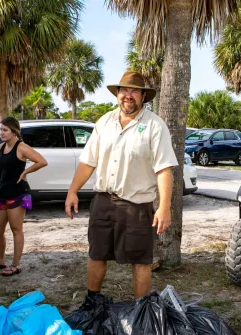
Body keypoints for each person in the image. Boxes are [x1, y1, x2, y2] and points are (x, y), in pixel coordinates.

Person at [65, 71, 178, 299]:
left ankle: (141, 310)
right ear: (117, 94)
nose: (128, 95)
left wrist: (164, 207)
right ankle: (92, 304)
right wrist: (72, 191)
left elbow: (164, 169)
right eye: (124, 90)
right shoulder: (104, 122)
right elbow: (88, 162)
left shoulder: (155, 126)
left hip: (136, 206)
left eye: (134, 91)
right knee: (97, 254)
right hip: (103, 202)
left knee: (140, 260)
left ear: (143, 95)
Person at [0, 117, 48, 276]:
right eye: (1, 130)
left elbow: (42, 161)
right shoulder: (1, 147)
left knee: (16, 229)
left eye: (5, 130)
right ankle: (0, 261)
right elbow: (0, 166)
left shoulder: (21, 147)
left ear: (14, 132)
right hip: (3, 192)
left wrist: (25, 172)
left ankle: (15, 265)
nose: (1, 133)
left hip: (18, 193)